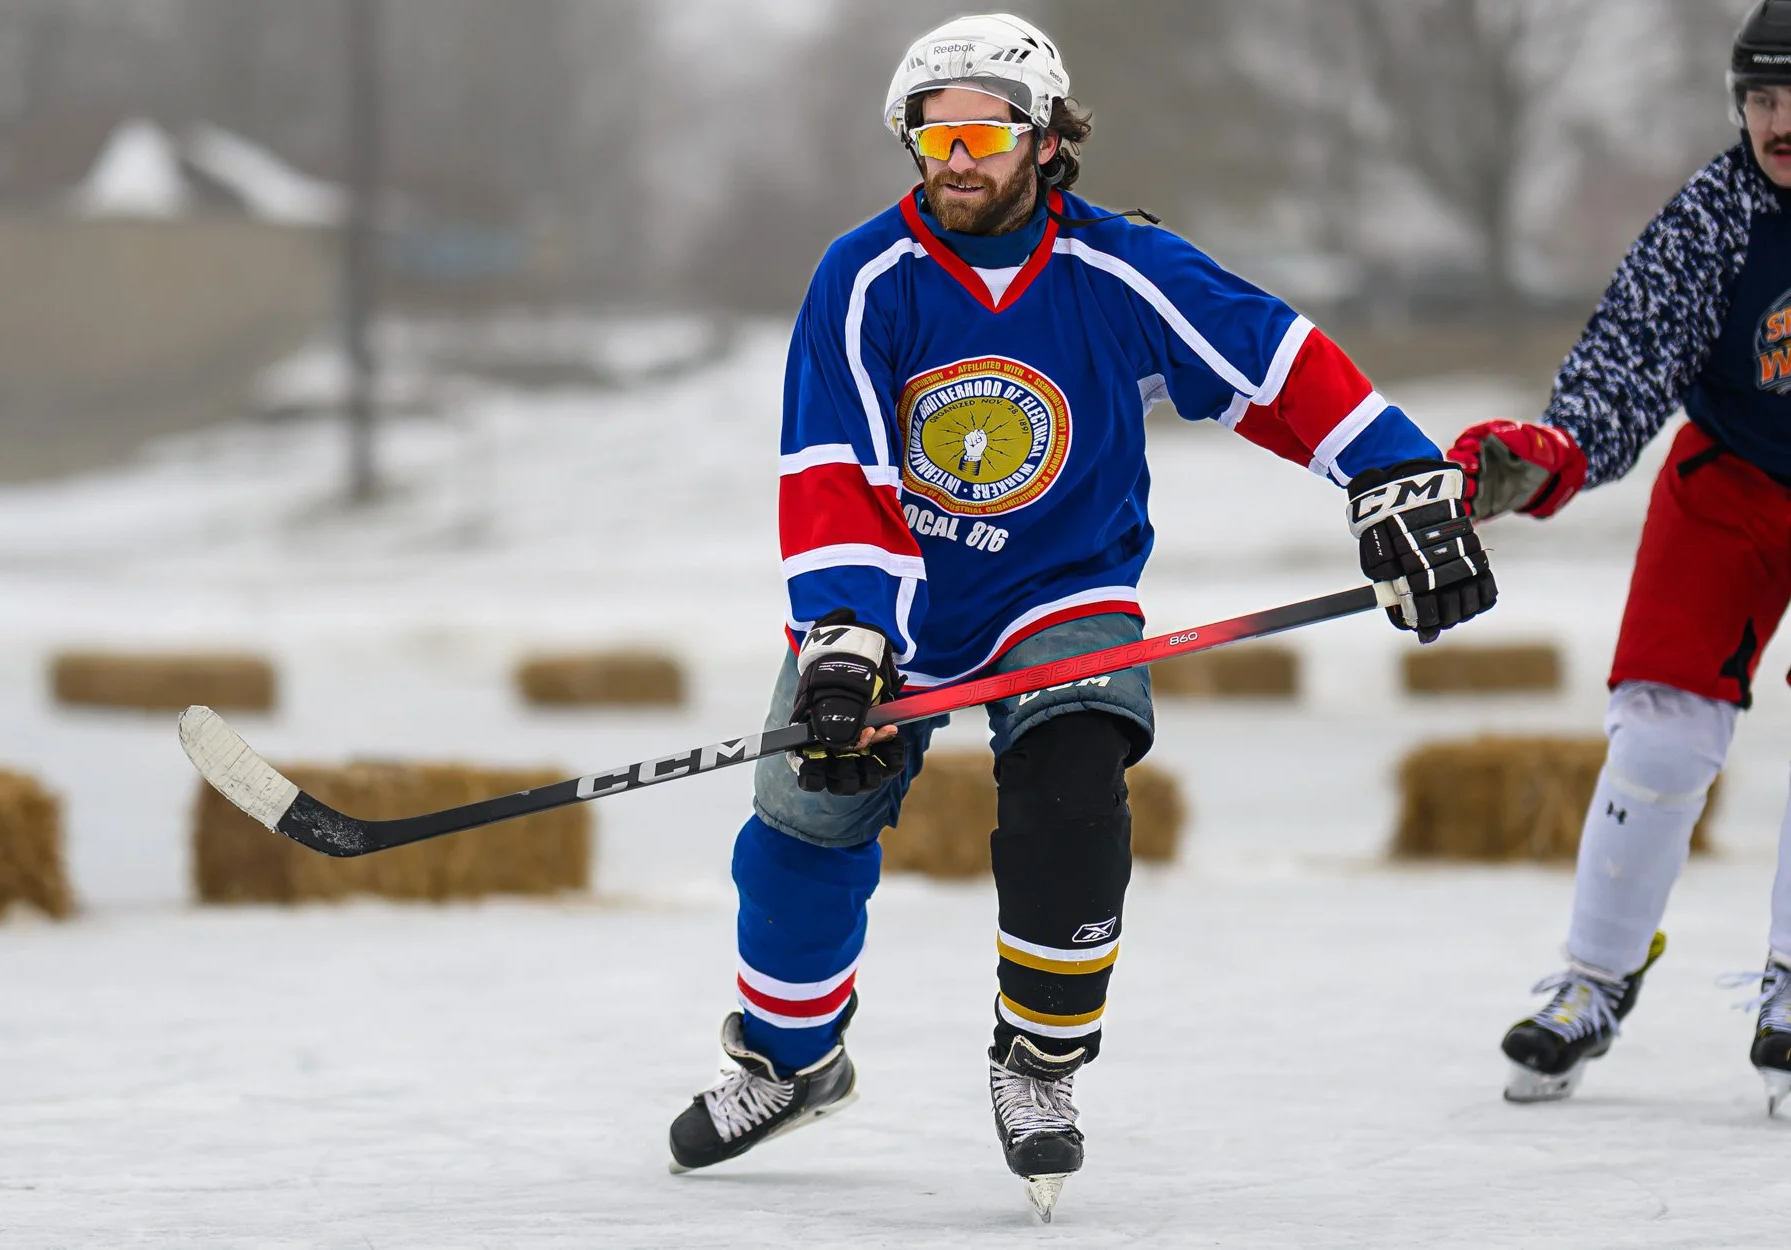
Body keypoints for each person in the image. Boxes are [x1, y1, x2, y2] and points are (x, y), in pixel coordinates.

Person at [666, 11, 1497, 1215]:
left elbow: (1275, 361)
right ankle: (792, 1058)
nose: (956, 158)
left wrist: (1398, 482)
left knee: (1071, 796)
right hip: (889, 601)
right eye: (933, 134)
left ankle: (1039, 1062)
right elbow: (835, 465)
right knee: (804, 818)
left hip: (1064, 594)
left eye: (985, 132)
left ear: (1048, 141)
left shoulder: (1120, 268)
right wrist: (846, 638)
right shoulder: (865, 275)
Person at [1454, 0, 1791, 1113]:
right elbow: (1628, 358)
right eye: (1762, 100)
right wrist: (1547, 451)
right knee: (1660, 726)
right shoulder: (1716, 215)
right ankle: (1593, 978)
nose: (1779, 123)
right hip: (1734, 479)